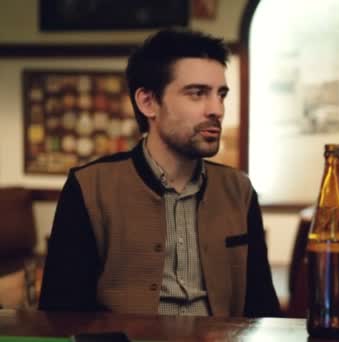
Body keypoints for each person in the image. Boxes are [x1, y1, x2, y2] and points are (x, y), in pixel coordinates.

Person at [39, 28, 280, 317]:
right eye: (197, 93)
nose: (216, 109)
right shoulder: (90, 187)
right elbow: (60, 315)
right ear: (148, 102)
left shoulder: (238, 190)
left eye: (221, 94)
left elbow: (263, 308)